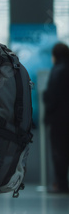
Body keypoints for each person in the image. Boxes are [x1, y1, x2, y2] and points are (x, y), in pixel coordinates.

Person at [43, 42, 69, 194]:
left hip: (59, 120)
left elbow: (51, 95)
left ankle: (61, 184)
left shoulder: (57, 70)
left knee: (59, 152)